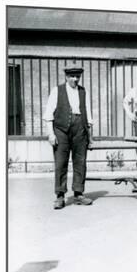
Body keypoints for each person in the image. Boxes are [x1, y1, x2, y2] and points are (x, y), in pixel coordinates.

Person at [43, 62, 94, 209]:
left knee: (80, 162)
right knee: (61, 163)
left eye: (77, 76)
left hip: (80, 130)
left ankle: (79, 194)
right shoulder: (57, 91)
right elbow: (48, 115)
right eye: (72, 76)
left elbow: (88, 115)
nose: (75, 79)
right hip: (61, 130)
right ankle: (60, 196)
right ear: (66, 77)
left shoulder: (84, 92)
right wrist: (51, 134)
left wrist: (90, 137)